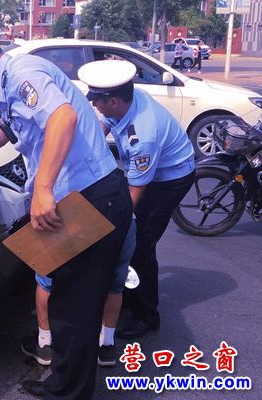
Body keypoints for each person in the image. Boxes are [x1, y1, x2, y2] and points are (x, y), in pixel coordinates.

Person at [0, 27, 132, 400]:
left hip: (90, 199)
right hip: (89, 197)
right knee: (69, 299)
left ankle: (69, 391)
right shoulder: (12, 83)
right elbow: (6, 127)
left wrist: (43, 188)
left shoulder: (22, 74)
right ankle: (65, 384)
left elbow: (63, 118)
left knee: (74, 306)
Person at [78, 60, 195, 340]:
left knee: (139, 241)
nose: (94, 104)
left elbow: (135, 190)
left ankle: (146, 316)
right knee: (128, 238)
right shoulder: (127, 99)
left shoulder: (143, 135)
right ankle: (127, 293)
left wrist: (118, 225)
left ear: (114, 101)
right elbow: (104, 124)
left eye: (98, 101)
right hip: (149, 171)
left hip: (170, 179)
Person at [21, 217, 136, 368]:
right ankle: (106, 346)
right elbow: (134, 200)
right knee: (114, 283)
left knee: (47, 280)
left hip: (69, 215)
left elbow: (42, 208)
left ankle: (45, 344)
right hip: (120, 217)